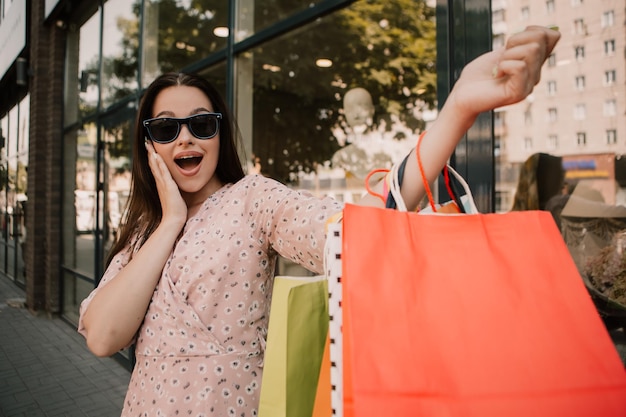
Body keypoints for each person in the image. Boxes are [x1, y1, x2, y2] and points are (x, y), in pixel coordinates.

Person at [78, 26, 560, 416]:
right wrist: (169, 224)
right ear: (149, 146)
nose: (186, 139)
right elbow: (102, 336)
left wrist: (458, 108)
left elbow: (359, 227)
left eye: (202, 124)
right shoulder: (143, 232)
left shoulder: (252, 200)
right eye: (166, 128)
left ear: (220, 133)